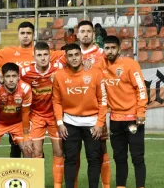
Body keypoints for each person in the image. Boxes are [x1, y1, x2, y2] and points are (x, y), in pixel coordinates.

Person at [0, 21, 63, 157]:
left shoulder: (44, 53)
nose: (25, 36)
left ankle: (32, 175)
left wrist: (87, 61)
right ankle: (15, 174)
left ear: (33, 35)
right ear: (18, 35)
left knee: (33, 148)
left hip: (35, 110)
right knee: (15, 146)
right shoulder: (8, 53)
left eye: (28, 33)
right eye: (22, 33)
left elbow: (69, 54)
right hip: (14, 109)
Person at [52, 43, 107, 188]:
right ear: (66, 58)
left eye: (77, 55)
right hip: (69, 123)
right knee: (70, 159)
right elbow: (56, 101)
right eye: (70, 55)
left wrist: (99, 123)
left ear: (82, 56)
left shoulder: (95, 73)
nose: (74, 58)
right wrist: (60, 123)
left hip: (92, 123)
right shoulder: (59, 75)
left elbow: (103, 100)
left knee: (94, 159)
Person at [100, 36, 146, 188]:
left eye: (113, 48)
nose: (110, 51)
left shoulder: (130, 64)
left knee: (137, 157)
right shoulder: (100, 65)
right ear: (103, 49)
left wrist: (141, 112)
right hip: (115, 120)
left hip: (133, 119)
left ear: (119, 49)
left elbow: (141, 88)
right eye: (107, 48)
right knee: (119, 157)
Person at [20, 42, 64, 188]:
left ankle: (57, 185)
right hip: (36, 115)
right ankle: (38, 184)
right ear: (34, 57)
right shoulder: (25, 72)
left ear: (50, 56)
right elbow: (11, 77)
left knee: (58, 151)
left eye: (45, 54)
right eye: (39, 55)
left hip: (55, 115)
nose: (43, 58)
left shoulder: (59, 69)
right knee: (36, 151)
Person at [76, 20, 111, 188]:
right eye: (82, 31)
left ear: (94, 34)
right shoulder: (71, 54)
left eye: (88, 31)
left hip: (97, 110)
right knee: (72, 152)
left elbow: (114, 74)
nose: (85, 34)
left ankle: (105, 185)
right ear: (77, 34)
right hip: (74, 112)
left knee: (101, 148)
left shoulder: (103, 53)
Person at [0, 62, 32, 158]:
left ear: (18, 77)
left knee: (28, 149)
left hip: (18, 123)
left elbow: (26, 113)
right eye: (8, 76)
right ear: (2, 78)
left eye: (14, 76)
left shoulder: (26, 89)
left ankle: (26, 173)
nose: (11, 80)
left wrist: (26, 137)